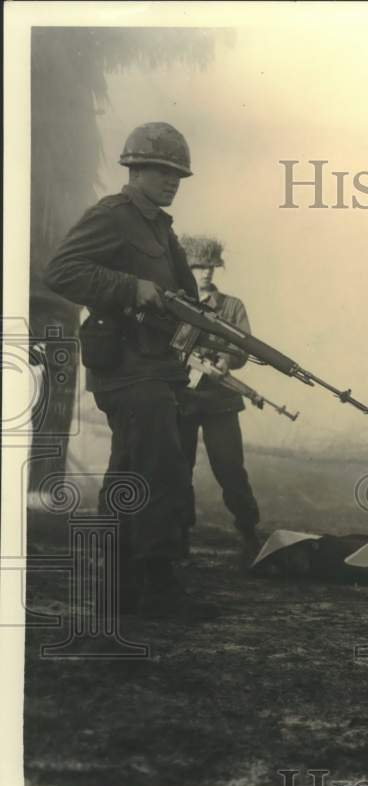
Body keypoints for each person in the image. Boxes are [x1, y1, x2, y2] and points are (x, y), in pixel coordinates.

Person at [44, 122, 217, 620]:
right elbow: (61, 271)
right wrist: (129, 287)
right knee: (159, 466)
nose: (173, 181)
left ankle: (119, 592)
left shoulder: (161, 228)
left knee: (130, 470)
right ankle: (158, 586)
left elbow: (179, 293)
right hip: (126, 368)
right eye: (163, 171)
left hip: (155, 366)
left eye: (178, 174)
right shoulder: (113, 217)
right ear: (135, 169)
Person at [176, 235, 262, 566]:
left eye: (211, 266)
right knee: (179, 469)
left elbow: (243, 346)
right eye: (199, 266)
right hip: (182, 396)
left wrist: (229, 361)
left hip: (221, 399)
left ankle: (249, 534)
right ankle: (179, 536)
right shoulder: (177, 303)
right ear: (187, 267)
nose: (206, 273)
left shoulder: (231, 306)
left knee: (230, 469)